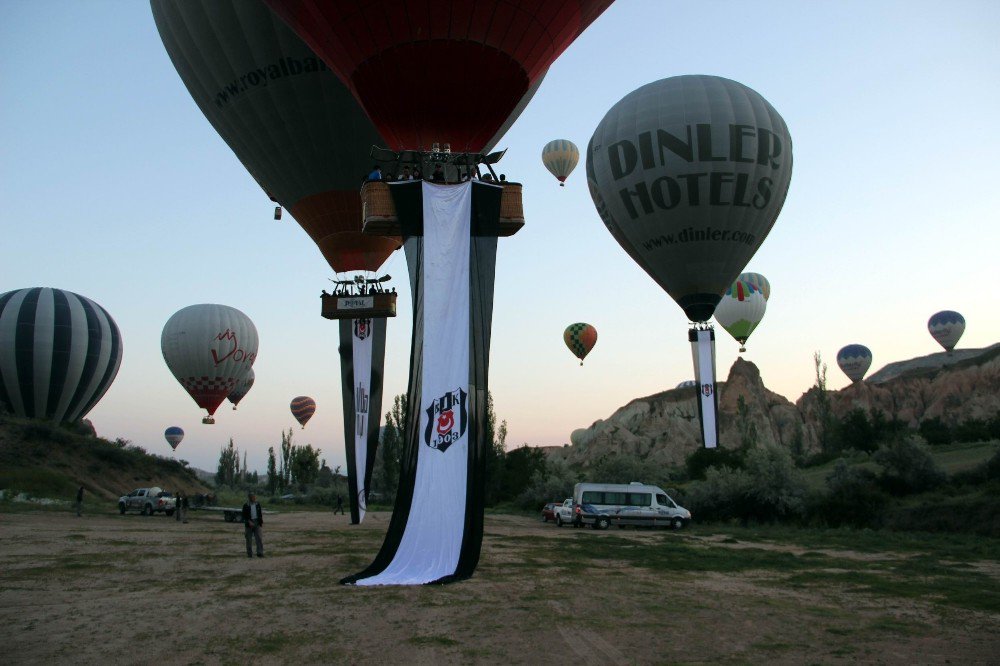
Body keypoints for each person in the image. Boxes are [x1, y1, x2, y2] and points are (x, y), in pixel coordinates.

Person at [242, 492, 264, 558]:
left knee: (259, 538)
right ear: (249, 498)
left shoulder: (257, 504)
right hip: (249, 524)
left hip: (257, 523)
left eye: (254, 497)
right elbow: (244, 516)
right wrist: (249, 521)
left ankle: (260, 553)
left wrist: (260, 522)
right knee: (249, 539)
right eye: (252, 497)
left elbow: (260, 513)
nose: (254, 498)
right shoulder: (246, 505)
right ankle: (249, 554)